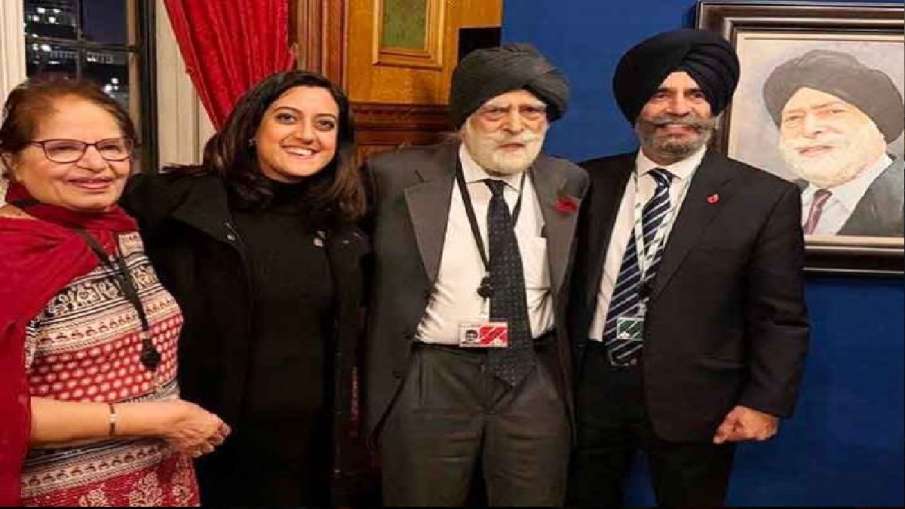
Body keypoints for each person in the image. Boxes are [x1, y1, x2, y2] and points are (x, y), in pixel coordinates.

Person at [568, 29, 810, 507]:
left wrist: (763, 401)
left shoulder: (764, 197)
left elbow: (779, 316)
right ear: (637, 105)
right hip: (587, 390)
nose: (678, 108)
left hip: (698, 399)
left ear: (714, 107)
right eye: (661, 94)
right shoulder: (584, 182)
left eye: (695, 94)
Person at [119, 70, 369, 507]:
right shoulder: (176, 201)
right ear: (253, 128)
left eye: (325, 124)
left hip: (313, 444)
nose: (307, 135)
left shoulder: (345, 221)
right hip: (204, 437)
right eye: (288, 118)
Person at [365, 43, 588, 506]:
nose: (515, 126)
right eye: (495, 111)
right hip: (432, 374)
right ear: (464, 118)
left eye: (531, 111)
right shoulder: (393, 177)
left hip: (532, 373)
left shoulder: (568, 181)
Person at [0, 76, 228, 507]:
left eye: (111, 146)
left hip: (159, 482)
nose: (96, 164)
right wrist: (154, 418)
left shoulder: (118, 230)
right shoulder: (9, 254)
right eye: (64, 148)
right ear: (11, 160)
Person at [763, 49, 904, 237]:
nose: (809, 129)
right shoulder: (769, 202)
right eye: (793, 118)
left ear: (877, 123)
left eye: (833, 112)